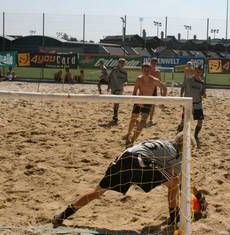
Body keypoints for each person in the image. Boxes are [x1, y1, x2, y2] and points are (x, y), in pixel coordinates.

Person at [52, 133, 195, 228]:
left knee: (97, 193)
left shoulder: (165, 144)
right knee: (174, 184)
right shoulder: (177, 154)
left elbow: (167, 176)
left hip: (122, 158)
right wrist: (196, 197)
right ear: (186, 147)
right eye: (191, 150)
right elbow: (179, 182)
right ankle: (173, 218)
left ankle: (62, 215)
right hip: (139, 161)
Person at [123, 62, 167, 145]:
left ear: (150, 70)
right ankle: (128, 134)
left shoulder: (154, 80)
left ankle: (132, 140)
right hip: (139, 101)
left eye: (147, 70)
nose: (146, 71)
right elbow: (135, 91)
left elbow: (164, 88)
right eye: (144, 70)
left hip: (147, 102)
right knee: (133, 119)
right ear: (141, 70)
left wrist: (163, 101)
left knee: (142, 122)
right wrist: (134, 101)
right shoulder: (139, 79)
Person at [177, 66, 206, 146]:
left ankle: (195, 135)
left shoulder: (202, 82)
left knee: (200, 121)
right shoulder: (188, 79)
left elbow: (203, 93)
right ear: (195, 71)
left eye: (200, 71)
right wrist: (181, 96)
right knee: (184, 121)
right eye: (197, 70)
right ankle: (178, 133)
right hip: (188, 103)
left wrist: (204, 94)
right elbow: (182, 87)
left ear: (201, 72)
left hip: (198, 104)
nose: (198, 72)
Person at [108, 58, 128, 124]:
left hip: (120, 89)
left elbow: (126, 80)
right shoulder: (114, 70)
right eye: (121, 62)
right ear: (118, 63)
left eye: (123, 63)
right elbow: (109, 77)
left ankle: (115, 116)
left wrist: (125, 83)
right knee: (115, 103)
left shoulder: (125, 72)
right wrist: (109, 86)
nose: (122, 64)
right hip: (114, 88)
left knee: (117, 103)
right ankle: (115, 115)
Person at [148, 57, 161, 127]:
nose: (154, 64)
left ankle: (150, 119)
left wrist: (161, 90)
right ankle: (144, 117)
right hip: (146, 88)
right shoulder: (147, 69)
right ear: (150, 62)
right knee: (145, 103)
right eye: (153, 62)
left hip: (153, 89)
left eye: (155, 62)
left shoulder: (157, 71)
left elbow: (159, 81)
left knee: (153, 104)